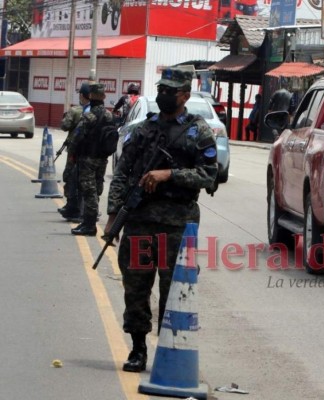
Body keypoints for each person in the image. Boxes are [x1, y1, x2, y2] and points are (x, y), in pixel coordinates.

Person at [104, 66, 218, 373]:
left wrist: (169, 174)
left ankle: (170, 353)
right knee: (136, 288)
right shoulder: (143, 130)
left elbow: (209, 175)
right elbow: (122, 173)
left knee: (175, 292)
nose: (163, 96)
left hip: (177, 225)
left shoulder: (198, 132)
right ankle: (138, 348)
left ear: (185, 95)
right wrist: (113, 215)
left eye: (170, 91)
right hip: (139, 221)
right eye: (161, 90)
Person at [69, 83, 115, 236]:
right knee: (96, 189)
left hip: (88, 158)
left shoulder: (89, 116)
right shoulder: (109, 115)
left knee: (89, 192)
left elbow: (76, 137)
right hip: (102, 159)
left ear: (90, 96)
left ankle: (89, 225)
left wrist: (72, 154)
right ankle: (88, 222)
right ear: (104, 97)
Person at [58, 83, 91, 220]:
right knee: (89, 182)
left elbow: (65, 126)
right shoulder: (98, 111)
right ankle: (87, 209)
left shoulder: (75, 110)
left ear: (82, 95)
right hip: (92, 153)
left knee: (71, 177)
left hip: (75, 150)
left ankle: (73, 207)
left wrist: (66, 116)